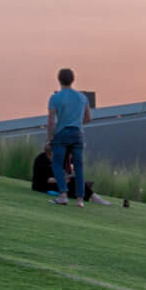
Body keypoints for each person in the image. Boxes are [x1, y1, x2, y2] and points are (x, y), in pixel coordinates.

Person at [45, 68, 92, 208]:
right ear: (73, 79)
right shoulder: (82, 97)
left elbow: (51, 122)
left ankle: (63, 195)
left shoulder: (55, 98)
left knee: (57, 164)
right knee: (78, 167)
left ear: (59, 80)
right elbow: (88, 118)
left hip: (62, 134)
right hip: (77, 134)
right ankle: (80, 200)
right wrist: (77, 123)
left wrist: (49, 140)